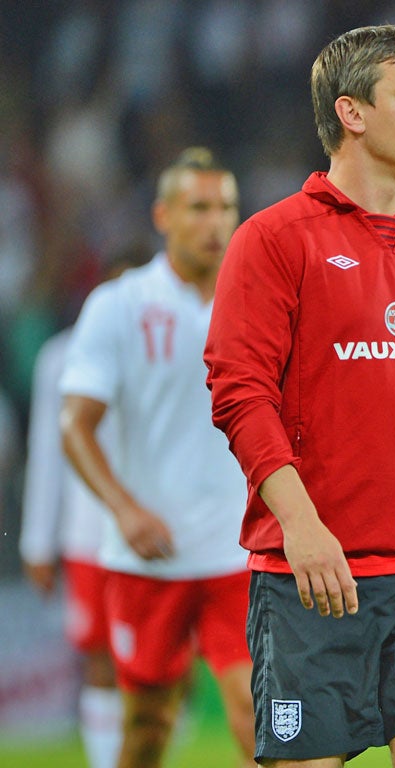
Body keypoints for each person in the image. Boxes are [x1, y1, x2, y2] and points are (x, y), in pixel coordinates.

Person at [203, 25, 395, 768]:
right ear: (352, 113)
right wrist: (301, 526)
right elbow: (239, 393)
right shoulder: (273, 240)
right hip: (314, 571)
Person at [59, 147, 256, 768]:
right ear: (163, 216)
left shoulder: (259, 300)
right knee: (147, 726)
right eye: (199, 207)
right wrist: (125, 510)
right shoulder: (119, 305)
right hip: (150, 560)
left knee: (261, 715)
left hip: (240, 553)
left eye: (225, 207)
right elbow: (75, 425)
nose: (215, 222)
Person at [20, 324, 124, 768]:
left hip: (156, 534)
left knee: (162, 669)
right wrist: (37, 540)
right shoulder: (60, 354)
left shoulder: (179, 340)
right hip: (87, 535)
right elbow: (47, 448)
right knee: (99, 660)